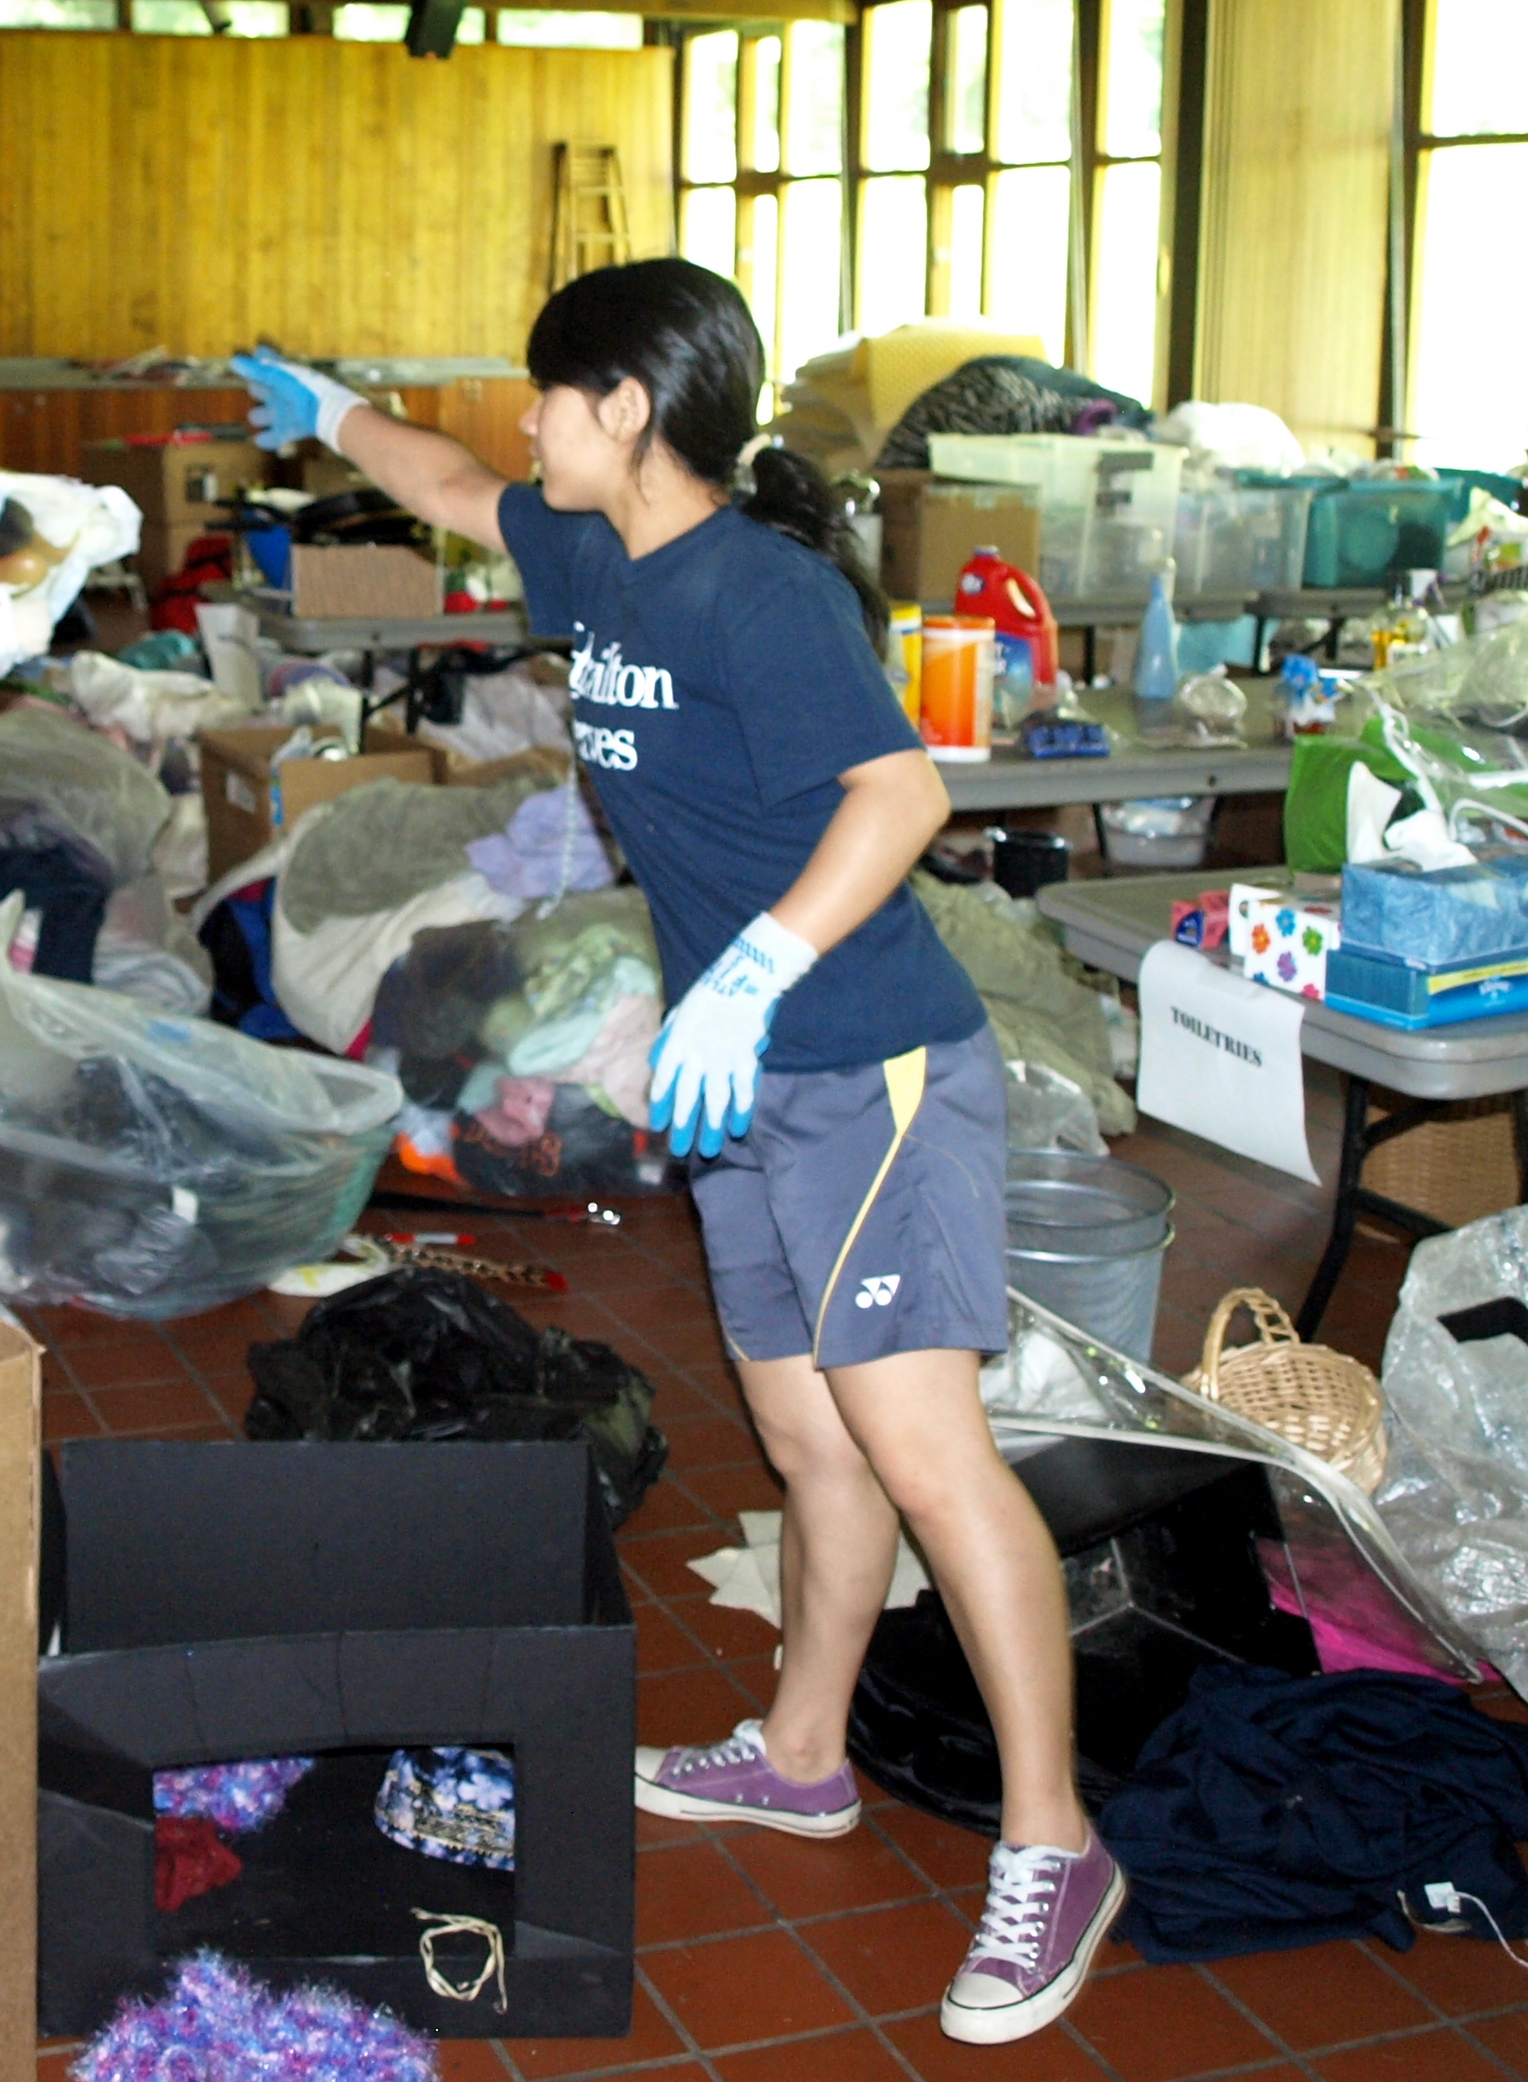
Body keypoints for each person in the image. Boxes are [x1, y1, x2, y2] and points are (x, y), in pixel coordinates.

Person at [235, 264, 1116, 2049]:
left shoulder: (758, 591)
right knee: (807, 1433)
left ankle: (1058, 1842)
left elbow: (903, 795)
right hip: (753, 1081)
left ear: (625, 407)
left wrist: (760, 975)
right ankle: (803, 1756)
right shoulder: (584, 552)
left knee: (929, 1451)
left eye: (550, 396)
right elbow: (445, 486)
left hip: (865, 1063)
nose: (526, 426)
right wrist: (329, 413)